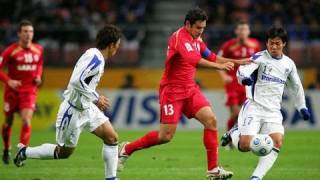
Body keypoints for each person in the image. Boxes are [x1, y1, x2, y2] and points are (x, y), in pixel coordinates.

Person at [117, 8, 250, 179]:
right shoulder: (179, 37)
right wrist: (219, 67)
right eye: (198, 28)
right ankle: (126, 149)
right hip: (172, 91)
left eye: (203, 28)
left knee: (211, 120)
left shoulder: (197, 38)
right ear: (187, 24)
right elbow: (193, 59)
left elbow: (211, 56)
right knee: (165, 136)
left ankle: (213, 170)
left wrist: (239, 62)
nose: (200, 31)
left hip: (190, 89)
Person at [13, 24, 122, 180]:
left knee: (112, 138)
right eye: (117, 46)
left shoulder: (95, 55)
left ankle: (111, 178)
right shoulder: (96, 58)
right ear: (111, 45)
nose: (117, 49)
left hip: (86, 107)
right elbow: (76, 80)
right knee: (63, 153)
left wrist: (92, 99)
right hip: (72, 112)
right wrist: (96, 97)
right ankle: (25, 152)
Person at [221, 26, 311, 180]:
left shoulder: (289, 64)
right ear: (267, 43)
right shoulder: (259, 58)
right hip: (254, 107)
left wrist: (301, 106)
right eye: (271, 43)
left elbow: (296, 87)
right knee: (244, 146)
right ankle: (234, 132)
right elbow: (242, 70)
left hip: (273, 112)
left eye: (277, 43)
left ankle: (256, 177)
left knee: (277, 142)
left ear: (284, 44)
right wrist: (244, 78)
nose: (273, 46)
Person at [0, 20, 44, 165]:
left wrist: (38, 76)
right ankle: (6, 148)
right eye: (25, 31)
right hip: (12, 91)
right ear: (19, 33)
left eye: (30, 31)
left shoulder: (38, 49)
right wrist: (9, 81)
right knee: (8, 122)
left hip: (29, 90)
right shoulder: (10, 50)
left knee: (26, 119)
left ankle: (21, 153)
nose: (28, 34)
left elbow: (39, 65)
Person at [218, 21, 261, 144]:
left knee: (246, 114)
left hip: (248, 85)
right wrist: (224, 76)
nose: (243, 32)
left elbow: (259, 63)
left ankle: (235, 138)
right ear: (236, 31)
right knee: (236, 113)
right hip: (232, 84)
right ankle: (229, 139)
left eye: (245, 29)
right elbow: (217, 61)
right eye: (240, 29)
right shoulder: (228, 45)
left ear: (249, 31)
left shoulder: (255, 45)